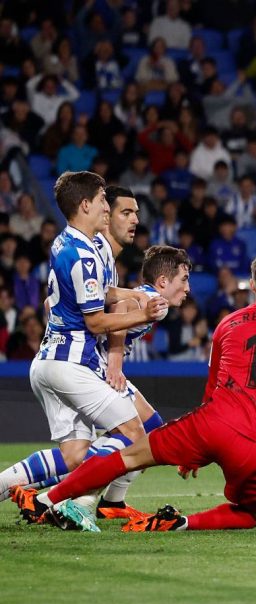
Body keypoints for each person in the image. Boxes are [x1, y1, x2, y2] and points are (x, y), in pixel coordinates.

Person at [15, 251, 256, 533]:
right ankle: (182, 523)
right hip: (251, 446)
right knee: (253, 514)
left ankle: (45, 499)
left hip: (208, 423)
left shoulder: (228, 323)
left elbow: (212, 387)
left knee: (128, 456)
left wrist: (198, 447)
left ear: (252, 285)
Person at [2, 173, 167, 515]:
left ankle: (10, 487)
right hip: (72, 364)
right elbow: (95, 320)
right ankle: (68, 503)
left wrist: (131, 294)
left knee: (75, 455)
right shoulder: (88, 254)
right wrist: (144, 313)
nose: (108, 209)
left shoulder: (68, 242)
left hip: (50, 359)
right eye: (105, 202)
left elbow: (86, 294)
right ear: (86, 205)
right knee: (136, 432)